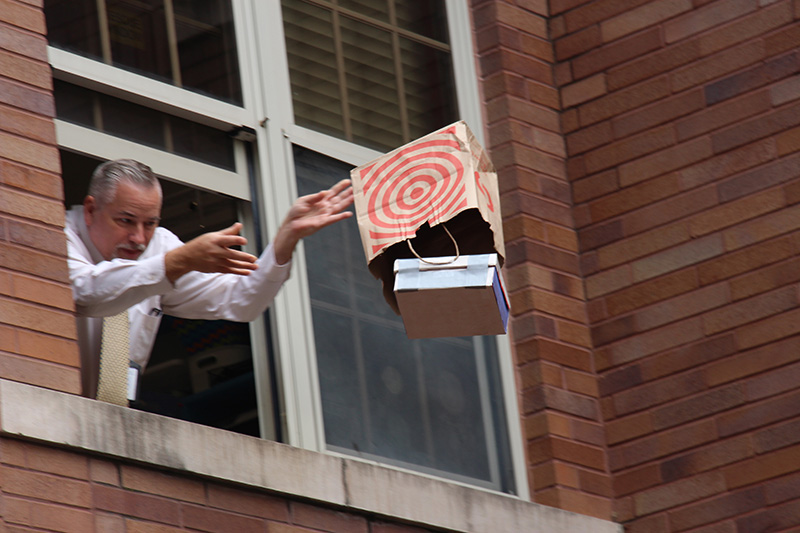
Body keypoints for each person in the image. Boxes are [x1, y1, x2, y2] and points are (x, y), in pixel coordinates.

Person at [65, 159, 353, 401]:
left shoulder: (160, 247)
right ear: (91, 210)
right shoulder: (58, 233)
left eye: (150, 223)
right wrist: (178, 262)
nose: (139, 238)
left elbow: (242, 301)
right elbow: (85, 292)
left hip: (114, 423)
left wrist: (286, 238)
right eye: (126, 221)